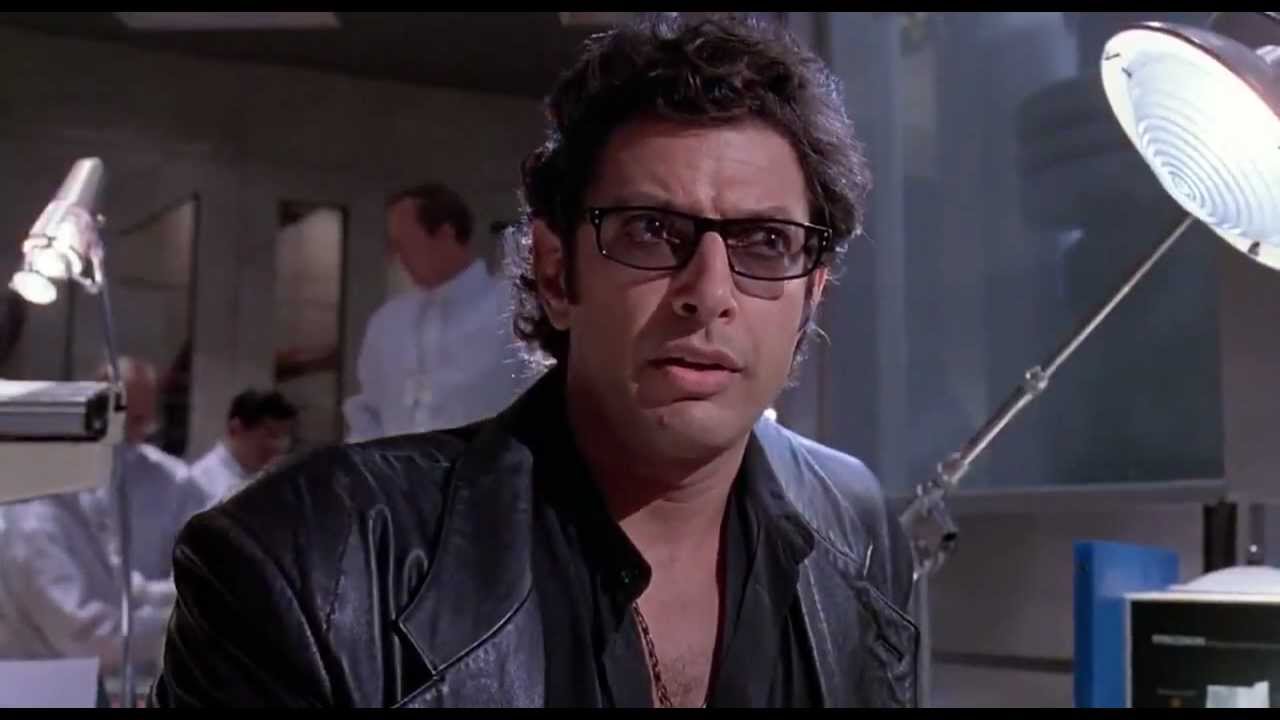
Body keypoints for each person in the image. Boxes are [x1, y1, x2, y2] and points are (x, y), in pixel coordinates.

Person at [152, 13, 917, 708]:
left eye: (766, 242)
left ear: (810, 296)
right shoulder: (305, 563)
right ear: (556, 274)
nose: (709, 293)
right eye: (651, 230)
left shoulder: (857, 526)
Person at [0, 357, 207, 677]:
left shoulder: (75, 506)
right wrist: (181, 623)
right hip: (42, 686)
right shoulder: (34, 521)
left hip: (103, 678)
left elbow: (120, 584)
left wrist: (177, 601)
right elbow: (87, 636)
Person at [342, 182, 528, 441]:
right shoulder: (388, 323)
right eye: (393, 245)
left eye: (405, 243)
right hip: (396, 465)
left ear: (445, 235)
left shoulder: (515, 310)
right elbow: (367, 416)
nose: (397, 256)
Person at [190, 388, 298, 506]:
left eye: (285, 435)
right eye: (271, 434)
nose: (280, 446)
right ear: (235, 429)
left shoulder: (268, 478)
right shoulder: (200, 485)